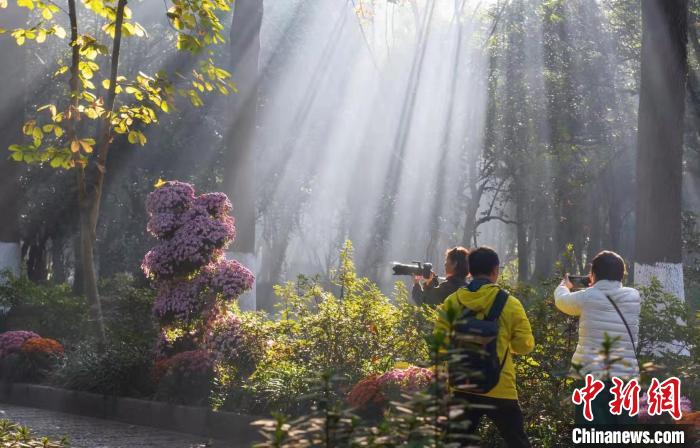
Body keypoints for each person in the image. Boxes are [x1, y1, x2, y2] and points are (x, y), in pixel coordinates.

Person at [436, 247, 535, 447]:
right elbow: (525, 345)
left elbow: (441, 347)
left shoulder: (452, 301)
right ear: (495, 270)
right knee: (517, 441)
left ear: (470, 270)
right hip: (500, 386)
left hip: (462, 385)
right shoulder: (510, 303)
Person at [554, 250, 640, 425]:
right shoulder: (633, 296)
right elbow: (606, 292)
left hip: (591, 377)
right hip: (625, 376)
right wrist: (595, 280)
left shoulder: (587, 296)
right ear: (621, 274)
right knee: (621, 433)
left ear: (593, 274)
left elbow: (562, 301)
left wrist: (564, 285)